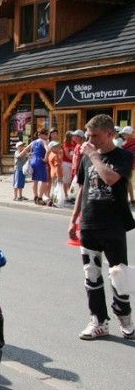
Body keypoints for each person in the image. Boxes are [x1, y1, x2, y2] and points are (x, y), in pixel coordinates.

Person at [68, 114, 135, 340]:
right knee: (91, 273)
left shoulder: (124, 156)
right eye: (88, 135)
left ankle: (124, 317)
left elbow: (110, 179)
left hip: (113, 224)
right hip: (89, 222)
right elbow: (82, 188)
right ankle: (98, 320)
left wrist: (94, 156)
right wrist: (73, 219)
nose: (90, 140)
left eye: (95, 136)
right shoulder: (87, 157)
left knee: (119, 274)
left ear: (110, 134)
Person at [19, 128, 50, 204]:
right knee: (44, 181)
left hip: (33, 161)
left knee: (35, 180)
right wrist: (45, 159)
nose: (47, 136)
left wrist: (19, 155)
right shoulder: (44, 141)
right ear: (42, 135)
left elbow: (25, 149)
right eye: (46, 135)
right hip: (40, 161)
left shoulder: (33, 142)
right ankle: (40, 198)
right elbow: (48, 150)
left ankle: (35, 197)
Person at [47, 141, 63, 206]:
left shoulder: (51, 154)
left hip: (52, 173)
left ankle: (51, 201)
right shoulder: (55, 155)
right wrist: (58, 176)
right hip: (56, 174)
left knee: (54, 188)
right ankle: (53, 202)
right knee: (56, 188)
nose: (58, 148)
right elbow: (57, 166)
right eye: (55, 147)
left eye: (57, 146)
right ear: (51, 148)